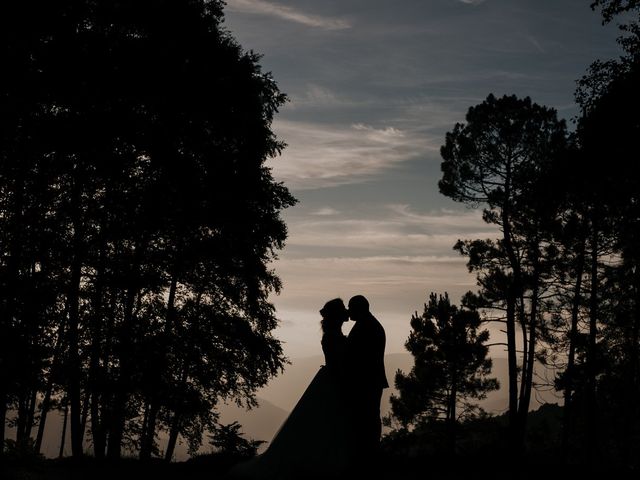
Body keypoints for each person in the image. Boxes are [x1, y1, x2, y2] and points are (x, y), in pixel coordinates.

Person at [227, 298, 354, 480]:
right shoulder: (333, 337)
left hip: (330, 381)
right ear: (338, 315)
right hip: (334, 382)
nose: (346, 312)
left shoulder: (332, 335)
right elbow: (338, 364)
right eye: (343, 309)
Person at [345, 295, 388, 471]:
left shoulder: (366, 326)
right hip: (371, 380)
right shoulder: (369, 324)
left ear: (359, 308)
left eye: (351, 307)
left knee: (367, 418)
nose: (348, 311)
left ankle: (368, 456)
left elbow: (357, 355)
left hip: (367, 381)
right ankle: (369, 454)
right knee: (369, 417)